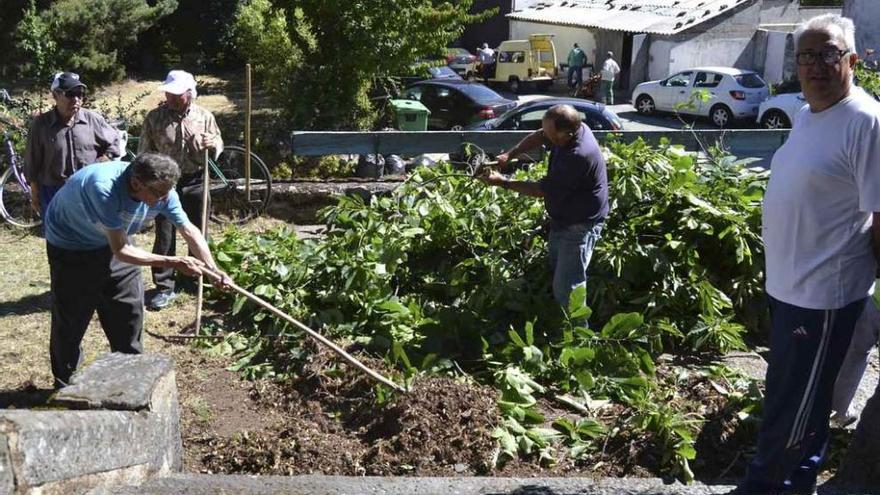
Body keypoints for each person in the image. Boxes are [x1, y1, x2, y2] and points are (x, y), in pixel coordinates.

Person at [737, 13, 880, 495]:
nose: (815, 65)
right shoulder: (805, 113)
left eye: (828, 53)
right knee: (787, 395)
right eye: (806, 55)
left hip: (823, 294)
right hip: (788, 285)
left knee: (796, 407)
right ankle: (783, 481)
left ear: (852, 60)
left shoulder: (866, 121)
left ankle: (770, 487)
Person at [43, 152, 232, 389]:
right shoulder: (104, 188)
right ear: (135, 183)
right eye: (158, 193)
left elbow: (189, 230)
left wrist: (213, 269)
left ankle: (129, 378)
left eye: (167, 192)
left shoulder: (164, 192)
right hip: (72, 246)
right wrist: (173, 262)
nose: (165, 198)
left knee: (128, 312)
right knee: (72, 317)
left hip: (114, 239)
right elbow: (122, 250)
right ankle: (66, 385)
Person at [479, 104, 607, 313]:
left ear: (566, 134)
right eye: (545, 129)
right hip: (563, 217)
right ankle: (558, 317)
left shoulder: (577, 156)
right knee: (558, 267)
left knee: (567, 287)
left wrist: (502, 181)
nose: (544, 134)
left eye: (549, 132)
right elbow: (539, 135)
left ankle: (576, 334)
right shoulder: (573, 128)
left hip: (580, 222)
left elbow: (541, 190)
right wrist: (511, 154)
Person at [139, 70, 223, 311]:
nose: (172, 98)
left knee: (198, 230)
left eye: (177, 94)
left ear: (190, 93)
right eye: (169, 93)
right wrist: (146, 182)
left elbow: (218, 141)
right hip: (164, 185)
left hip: (196, 180)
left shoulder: (205, 116)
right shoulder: (154, 118)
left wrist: (213, 145)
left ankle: (194, 278)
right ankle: (164, 286)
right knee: (165, 234)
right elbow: (145, 153)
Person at [24, 72, 121, 215]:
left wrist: (106, 158)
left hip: (88, 191)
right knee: (56, 236)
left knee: (88, 235)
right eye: (70, 94)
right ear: (56, 95)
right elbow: (32, 161)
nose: (76, 99)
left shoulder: (92, 120)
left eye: (80, 94)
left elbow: (114, 140)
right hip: (54, 192)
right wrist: (34, 192)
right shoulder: (41, 125)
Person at [829, 297, 880, 427]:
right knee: (855, 355)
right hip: (872, 300)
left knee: (855, 355)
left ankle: (839, 410)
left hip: (873, 299)